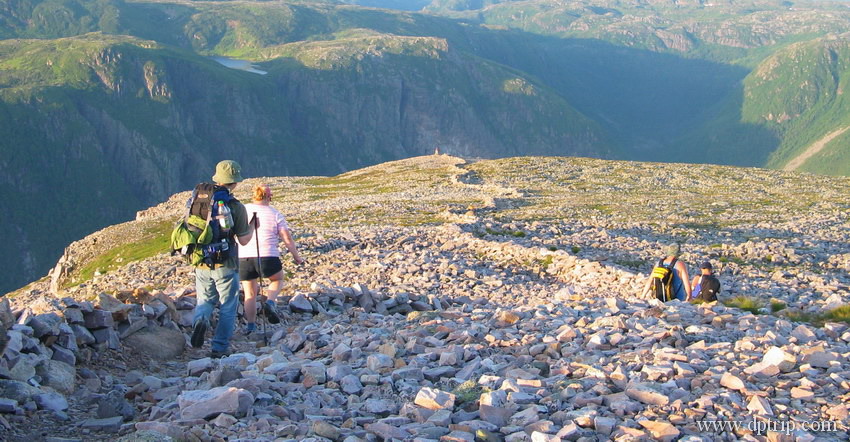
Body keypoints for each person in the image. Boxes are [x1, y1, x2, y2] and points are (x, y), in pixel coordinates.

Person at [191, 160, 254, 358]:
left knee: (205, 300)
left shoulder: (198, 199)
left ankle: (200, 320)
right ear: (235, 182)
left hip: (201, 259)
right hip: (225, 262)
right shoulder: (235, 206)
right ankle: (219, 347)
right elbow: (244, 240)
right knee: (228, 304)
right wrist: (252, 226)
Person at [239, 183, 304, 335]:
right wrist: (296, 256)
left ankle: (251, 326)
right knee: (277, 279)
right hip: (268, 255)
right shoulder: (275, 214)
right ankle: (270, 302)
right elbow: (286, 237)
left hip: (244, 256)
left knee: (250, 293)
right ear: (269, 197)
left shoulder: (243, 210)